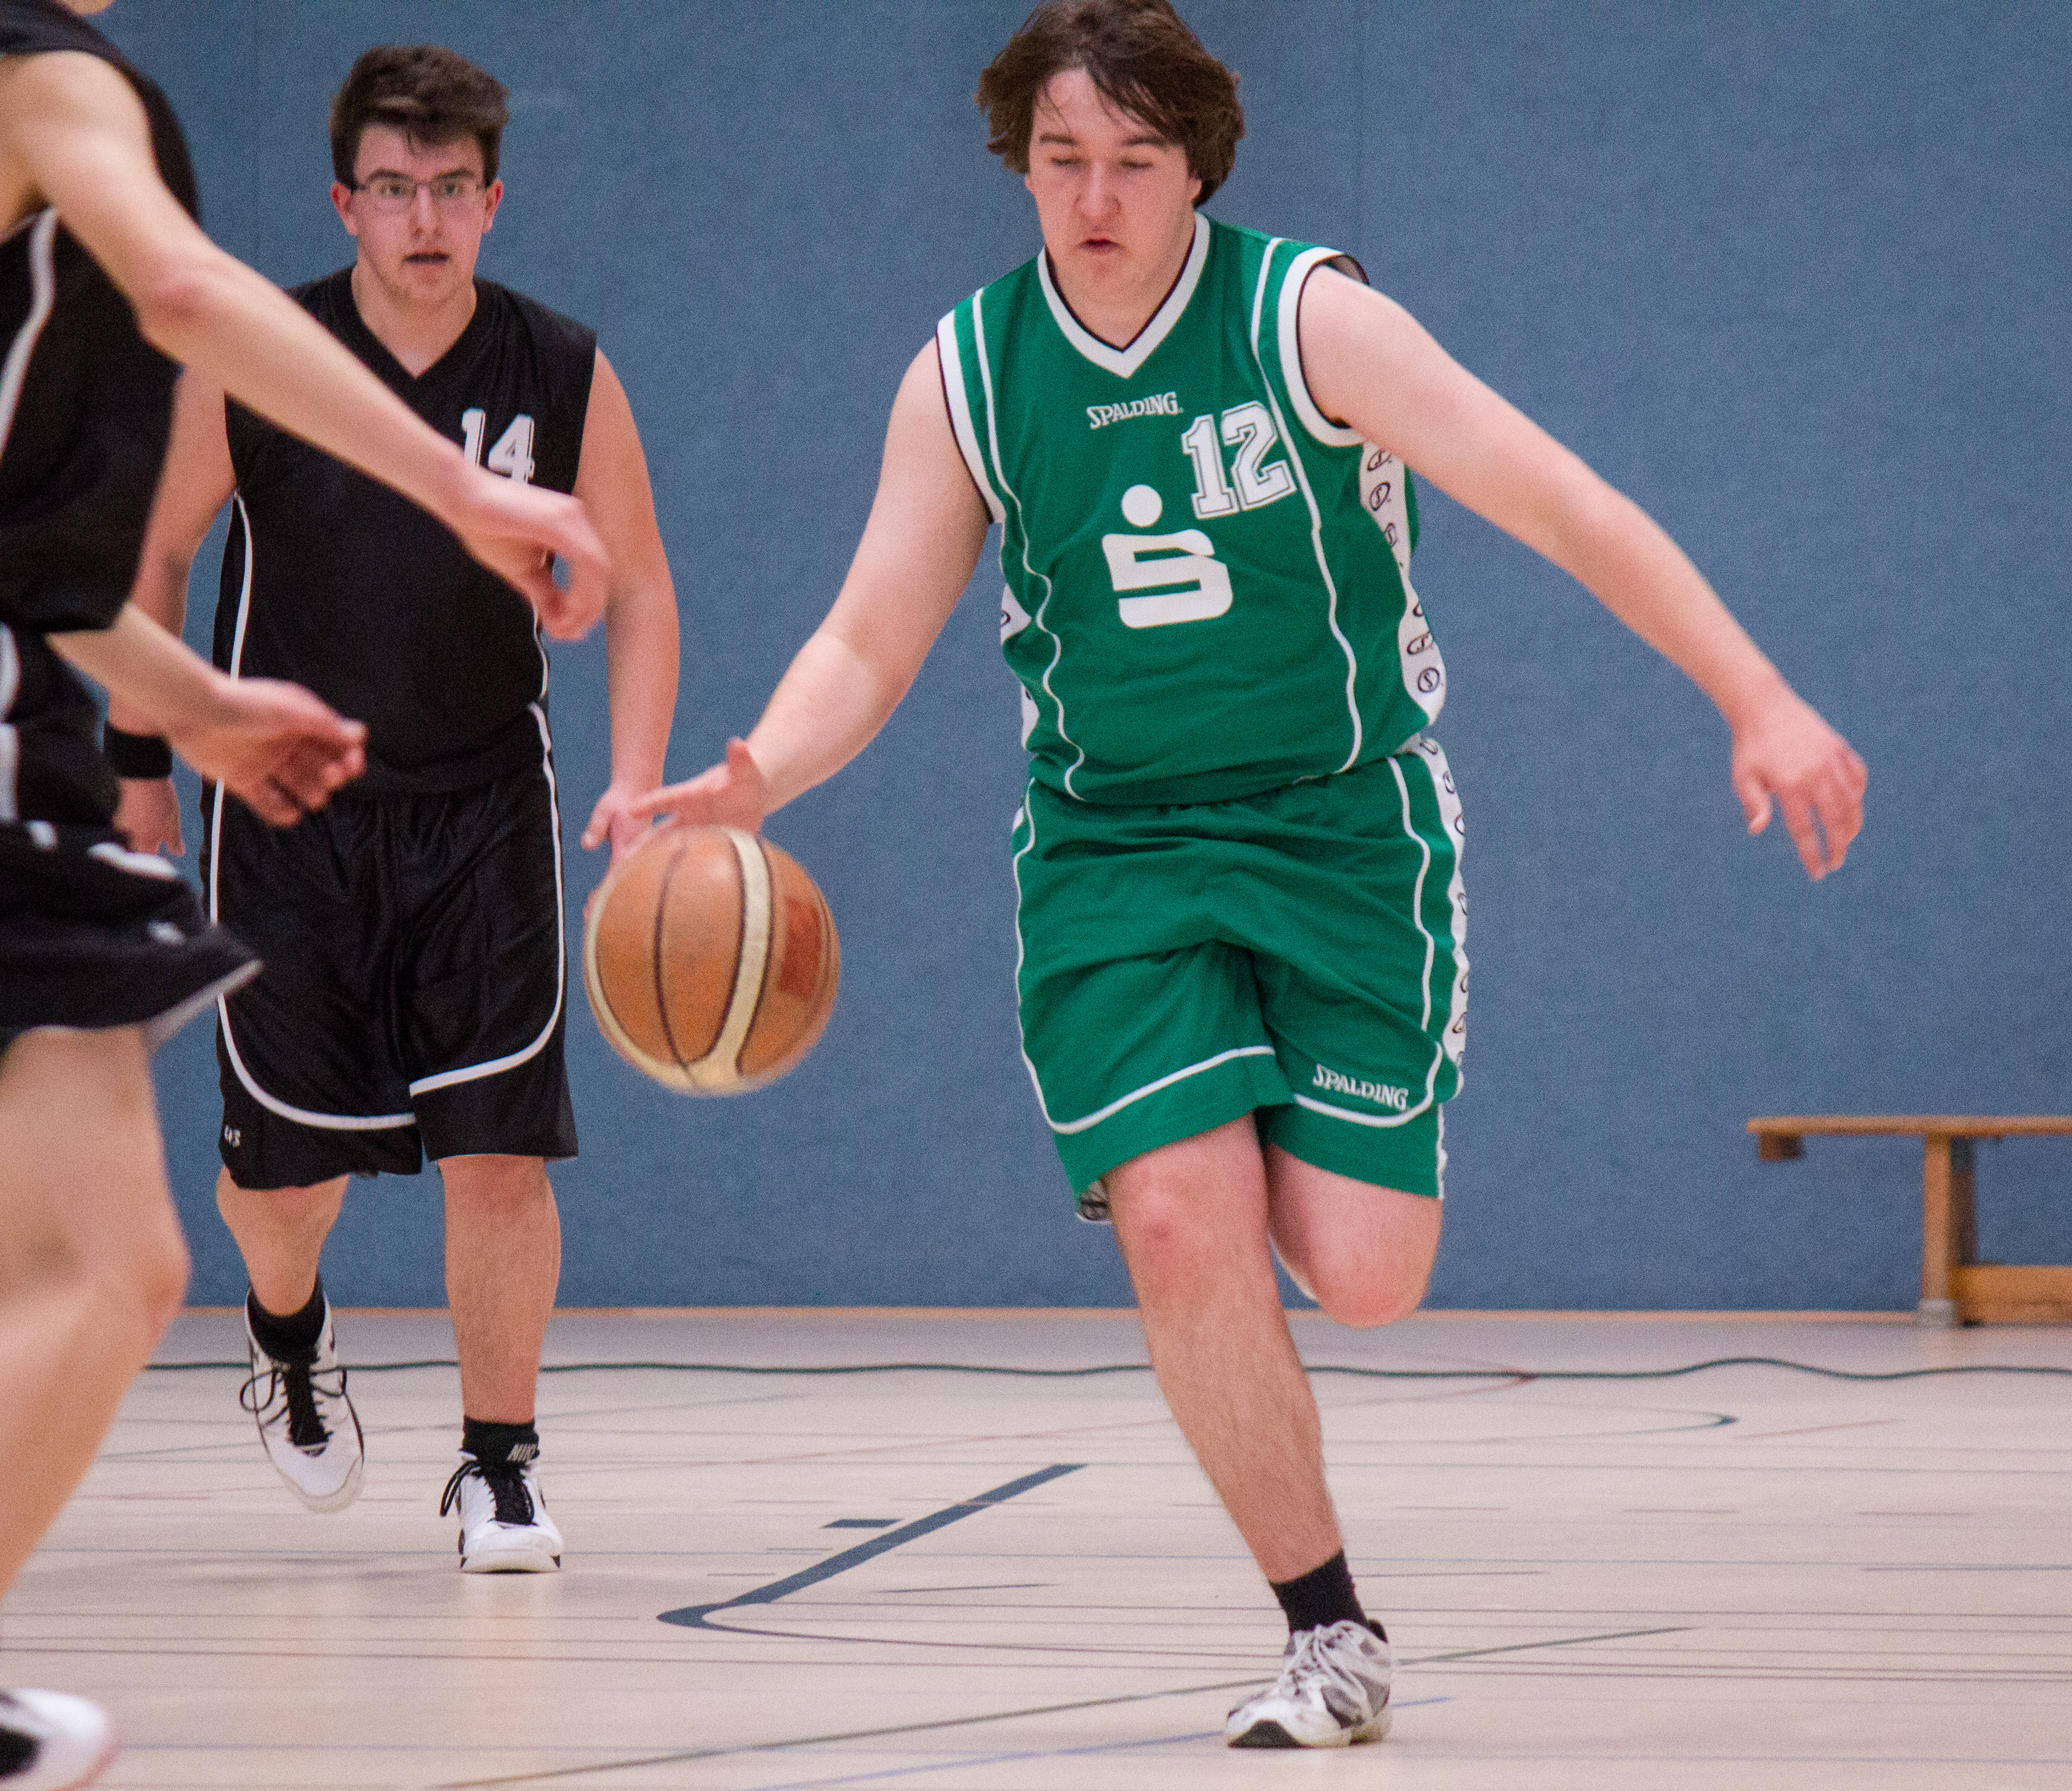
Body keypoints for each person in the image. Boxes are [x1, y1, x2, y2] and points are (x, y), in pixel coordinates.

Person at [631, 0, 1864, 1751]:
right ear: (1018, 165)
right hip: (1114, 847)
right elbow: (866, 635)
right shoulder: (967, 373)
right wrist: (761, 766)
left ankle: (1272, 1128)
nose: (1094, 196)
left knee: (1364, 1270)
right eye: (1060, 158)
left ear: (1197, 164)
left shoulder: (1307, 320)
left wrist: (1755, 694)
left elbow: (1557, 499)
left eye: (1133, 159)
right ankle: (1326, 1628)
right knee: (1172, 1214)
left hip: (1341, 822)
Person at [0, 3, 608, 1786]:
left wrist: (190, 700)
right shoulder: (37, 83)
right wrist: (457, 486)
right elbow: (182, 292)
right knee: (117, 1261)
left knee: (30, 1225)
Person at [110, 43, 679, 1575]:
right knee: (281, 1185)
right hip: (287, 811)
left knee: (499, 1151)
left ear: (492, 202)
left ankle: (499, 1463)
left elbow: (640, 586)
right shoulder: (267, 356)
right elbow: (154, 555)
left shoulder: (558, 369)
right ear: (343, 204)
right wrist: (141, 763)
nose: (421, 218)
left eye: (448, 189)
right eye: (390, 188)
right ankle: (287, 1331)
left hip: (483, 803)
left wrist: (635, 779)